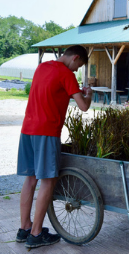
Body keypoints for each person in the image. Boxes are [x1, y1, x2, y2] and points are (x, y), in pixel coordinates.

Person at [18, 45, 93, 249]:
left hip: (28, 129)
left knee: (30, 179)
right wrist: (88, 94)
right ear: (75, 58)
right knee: (48, 182)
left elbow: (52, 93)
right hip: (46, 131)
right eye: (79, 65)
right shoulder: (66, 74)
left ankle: (24, 228)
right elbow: (84, 107)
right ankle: (36, 234)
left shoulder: (42, 68)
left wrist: (75, 91)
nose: (77, 70)